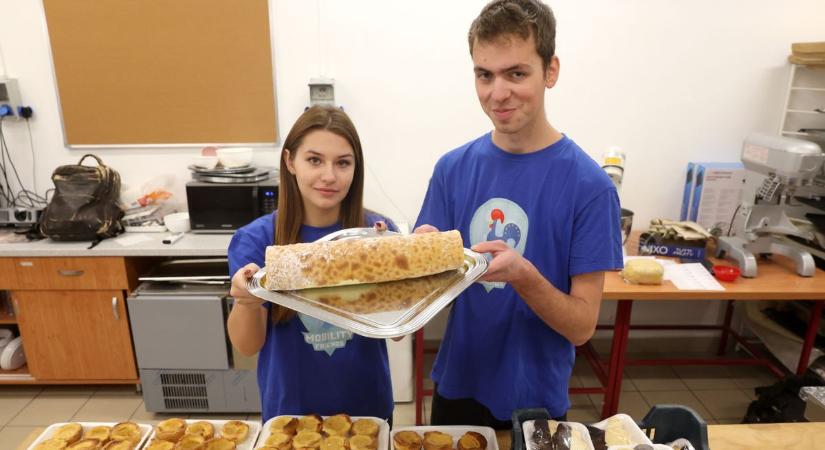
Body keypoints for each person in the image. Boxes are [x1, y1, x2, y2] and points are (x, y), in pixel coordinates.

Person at [415, 0, 623, 427]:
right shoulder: (451, 169)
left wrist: (524, 277)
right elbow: (426, 289)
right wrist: (416, 260)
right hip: (457, 385)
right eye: (484, 75)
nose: (497, 93)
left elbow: (582, 327)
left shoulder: (591, 187)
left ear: (551, 71)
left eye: (516, 73)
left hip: (535, 399)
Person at [227, 105, 395, 423]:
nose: (329, 176)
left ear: (356, 168)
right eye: (314, 160)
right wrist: (246, 302)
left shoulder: (378, 233)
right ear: (291, 161)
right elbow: (247, 346)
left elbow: (397, 331)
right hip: (291, 414)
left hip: (367, 411)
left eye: (343, 163)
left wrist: (406, 274)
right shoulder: (255, 241)